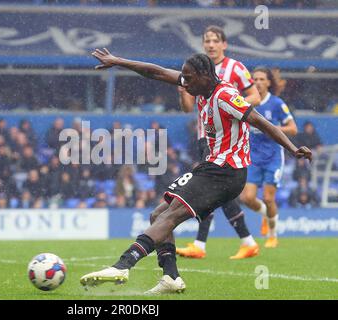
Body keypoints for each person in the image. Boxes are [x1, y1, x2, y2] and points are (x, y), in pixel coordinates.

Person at [80, 49, 311, 294]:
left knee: (171, 215)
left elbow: (262, 122)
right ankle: (171, 277)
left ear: (204, 75)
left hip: (227, 171)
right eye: (184, 78)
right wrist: (118, 61)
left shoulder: (227, 96)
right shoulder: (198, 85)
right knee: (159, 214)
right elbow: (155, 72)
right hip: (211, 167)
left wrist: (293, 148)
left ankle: (123, 264)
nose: (184, 83)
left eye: (189, 78)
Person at [177, 25, 261, 259]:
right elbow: (186, 109)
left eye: (215, 40)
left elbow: (255, 96)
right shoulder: (196, 70)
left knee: (213, 190)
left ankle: (212, 243)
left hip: (227, 140)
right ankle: (218, 243)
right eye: (207, 40)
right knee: (215, 191)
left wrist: (231, 105)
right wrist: (181, 89)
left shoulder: (236, 68)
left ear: (224, 44)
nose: (211, 44)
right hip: (205, 138)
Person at [239, 67, 298, 248]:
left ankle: (272, 234)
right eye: (254, 79)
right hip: (253, 157)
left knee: (269, 198)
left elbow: (293, 129)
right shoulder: (247, 103)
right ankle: (267, 214)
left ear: (268, 82)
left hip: (273, 157)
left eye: (262, 79)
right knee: (246, 198)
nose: (257, 82)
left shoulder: (277, 104)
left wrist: (271, 128)